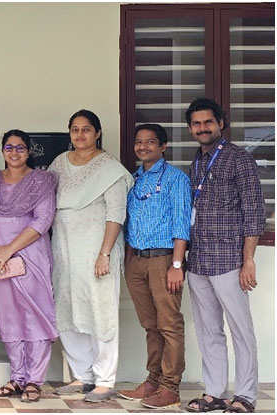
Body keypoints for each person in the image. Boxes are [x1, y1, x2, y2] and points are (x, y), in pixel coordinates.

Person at [183, 98, 264, 414]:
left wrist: (249, 259)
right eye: (196, 123)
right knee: (208, 330)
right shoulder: (197, 162)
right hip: (199, 260)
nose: (202, 128)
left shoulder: (239, 159)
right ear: (190, 128)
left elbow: (253, 211)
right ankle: (214, 392)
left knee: (240, 329)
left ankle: (245, 395)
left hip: (229, 259)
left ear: (220, 123)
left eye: (208, 122)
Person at [49, 109, 132, 402]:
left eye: (86, 129)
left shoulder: (110, 168)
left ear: (97, 133)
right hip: (64, 248)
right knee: (68, 308)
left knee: (100, 310)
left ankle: (105, 379)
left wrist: (105, 253)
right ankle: (82, 375)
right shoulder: (59, 162)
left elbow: (116, 214)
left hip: (97, 250)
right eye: (75, 129)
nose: (80, 135)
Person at [0, 130, 58, 403]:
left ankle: (35, 380)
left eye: (20, 148)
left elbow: (42, 221)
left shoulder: (41, 180)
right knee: (8, 318)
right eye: (9, 147)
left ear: (29, 151)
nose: (14, 152)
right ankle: (17, 377)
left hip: (30, 257)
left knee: (34, 315)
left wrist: (8, 251)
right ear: (2, 151)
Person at [117, 123, 191, 409]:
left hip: (163, 260)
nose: (143, 146)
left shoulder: (175, 179)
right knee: (150, 325)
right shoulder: (133, 180)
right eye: (139, 142)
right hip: (136, 260)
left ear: (163, 146)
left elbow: (182, 223)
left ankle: (171, 387)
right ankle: (153, 380)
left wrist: (176, 263)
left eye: (150, 142)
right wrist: (126, 259)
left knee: (169, 324)